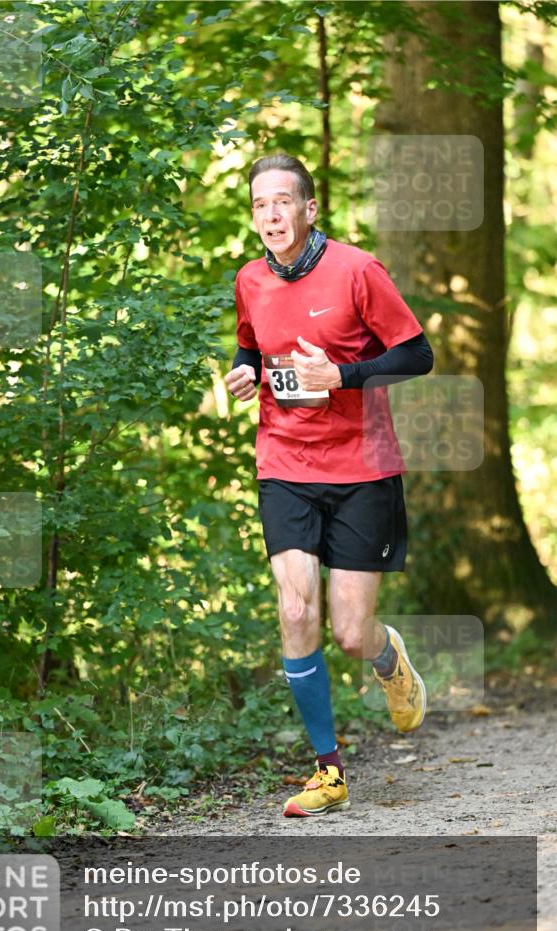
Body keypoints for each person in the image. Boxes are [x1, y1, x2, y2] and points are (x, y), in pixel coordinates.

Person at [224, 153, 434, 817]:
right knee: (293, 609)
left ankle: (385, 654)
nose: (271, 215)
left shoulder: (356, 270)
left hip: (361, 466)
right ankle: (326, 770)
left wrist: (340, 377)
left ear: (309, 209)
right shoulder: (249, 281)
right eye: (260, 204)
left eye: (283, 201)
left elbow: (416, 355)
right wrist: (242, 372)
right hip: (283, 461)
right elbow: (252, 348)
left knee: (349, 630)